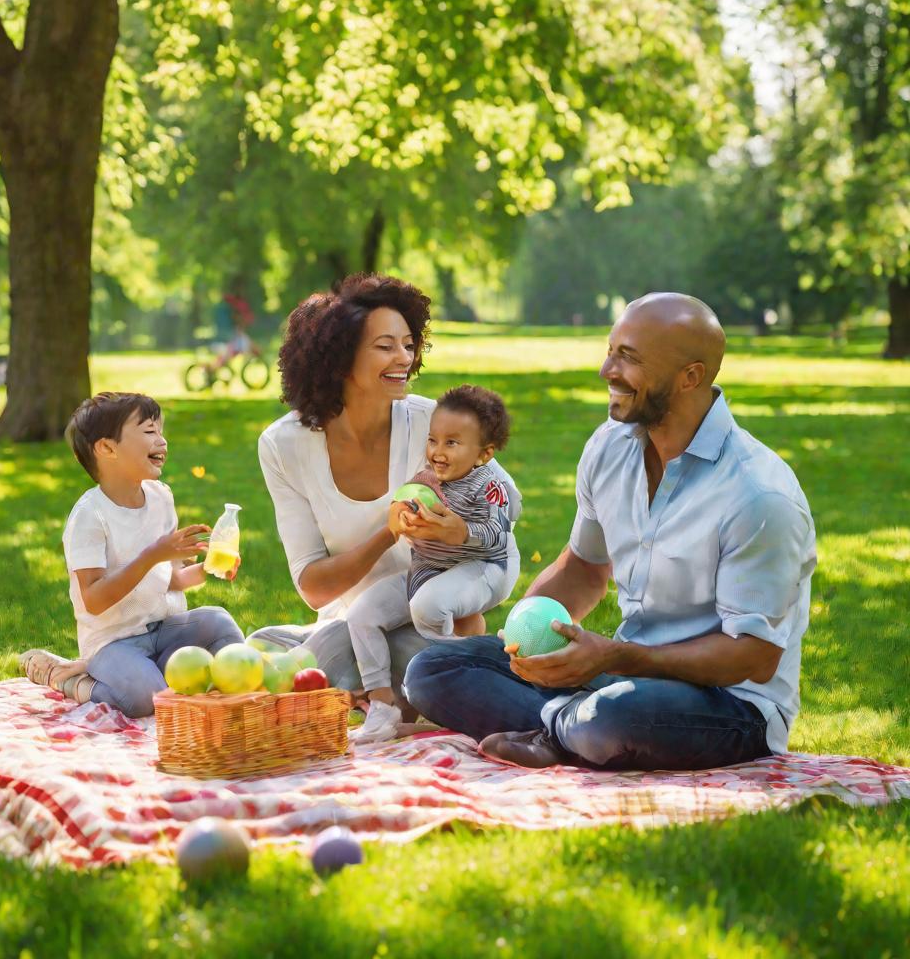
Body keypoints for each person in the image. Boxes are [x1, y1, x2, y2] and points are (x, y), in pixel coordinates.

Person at [404, 292, 817, 771]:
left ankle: (560, 728)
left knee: (610, 717)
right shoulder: (610, 446)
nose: (607, 371)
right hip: (622, 674)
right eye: (611, 350)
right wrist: (524, 639)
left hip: (729, 707)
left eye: (629, 358)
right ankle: (566, 729)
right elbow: (582, 569)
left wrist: (614, 658)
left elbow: (754, 658)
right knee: (435, 668)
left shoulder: (758, 495)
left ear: (691, 377)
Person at [254, 274, 521, 711]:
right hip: (362, 616)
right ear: (340, 359)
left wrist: (460, 534)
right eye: (385, 346)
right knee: (274, 653)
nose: (405, 357)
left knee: (327, 667)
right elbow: (314, 587)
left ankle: (410, 677)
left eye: (409, 344)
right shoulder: (284, 445)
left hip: (436, 605)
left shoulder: (433, 425)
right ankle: (393, 679)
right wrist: (387, 532)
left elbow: (505, 503)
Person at [19, 392, 243, 717]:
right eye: (150, 432)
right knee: (144, 698)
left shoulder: (161, 498)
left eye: (161, 431)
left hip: (164, 631)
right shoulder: (90, 515)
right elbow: (94, 600)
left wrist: (209, 569)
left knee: (219, 622)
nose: (162, 441)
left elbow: (172, 580)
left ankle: (231, 699)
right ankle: (77, 681)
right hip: (113, 643)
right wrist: (152, 555)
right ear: (107, 448)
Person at [349, 384, 518, 742]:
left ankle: (491, 661)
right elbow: (402, 503)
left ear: (484, 454)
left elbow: (497, 533)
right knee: (362, 614)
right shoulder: (426, 478)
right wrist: (401, 516)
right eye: (433, 440)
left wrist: (460, 532)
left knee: (428, 607)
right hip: (430, 570)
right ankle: (382, 707)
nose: (437, 452)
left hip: (484, 567)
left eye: (452, 443)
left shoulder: (489, 486)